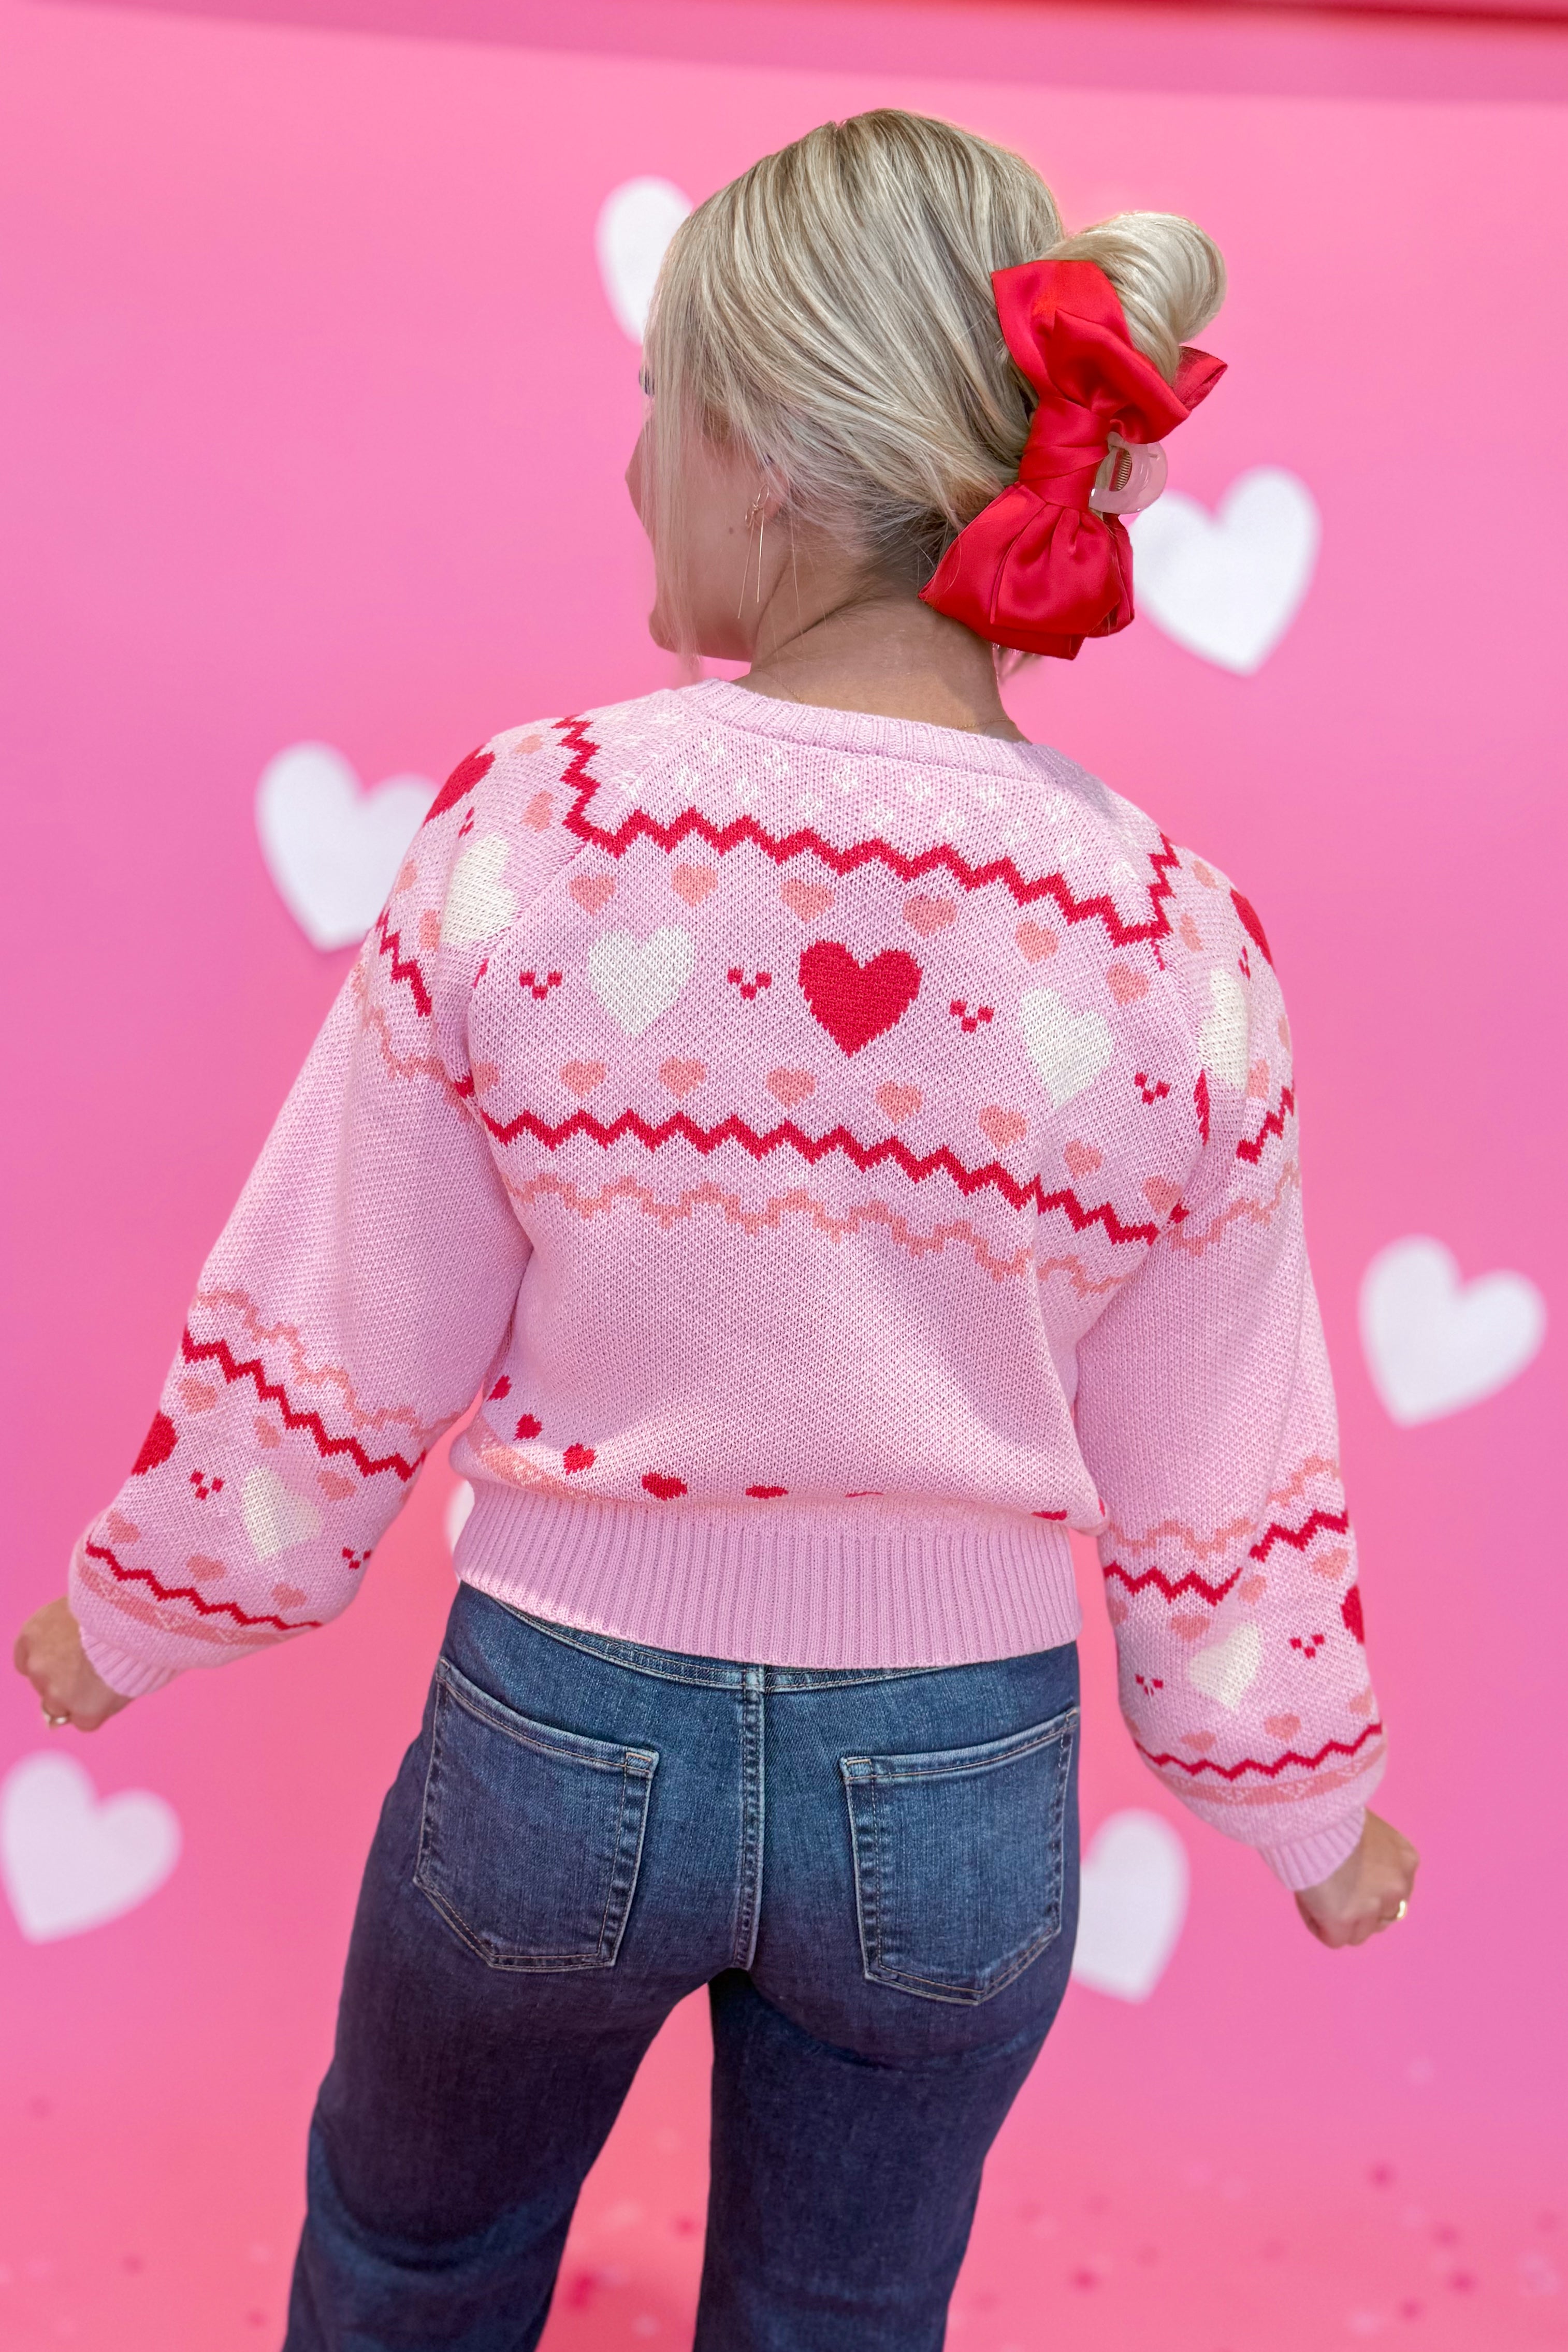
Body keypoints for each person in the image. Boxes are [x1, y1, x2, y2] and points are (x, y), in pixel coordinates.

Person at [15, 108, 1417, 2352]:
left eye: (654, 407)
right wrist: (1310, 1801)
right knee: (843, 2313)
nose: (629, 464)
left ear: (758, 456)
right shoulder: (1171, 932)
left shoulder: (543, 824)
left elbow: (345, 1304)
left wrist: (149, 1600)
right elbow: (1221, 1455)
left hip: (557, 1731)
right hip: (961, 1784)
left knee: (414, 2250)